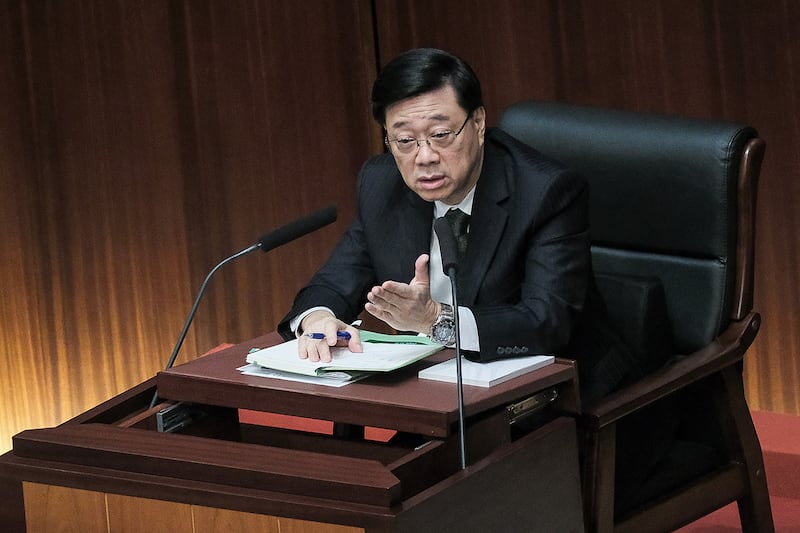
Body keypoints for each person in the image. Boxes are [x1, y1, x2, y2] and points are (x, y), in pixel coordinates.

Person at [277, 48, 639, 405]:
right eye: (405, 141)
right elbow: (334, 282)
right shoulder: (382, 184)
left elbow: (547, 321)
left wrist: (436, 319)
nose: (424, 156)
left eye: (441, 134)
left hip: (556, 396)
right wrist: (319, 319)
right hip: (435, 391)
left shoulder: (545, 191)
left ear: (478, 124)